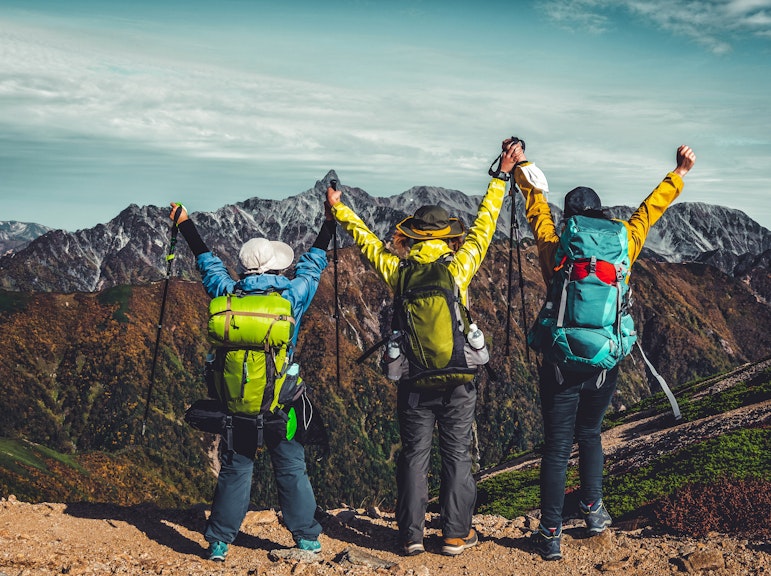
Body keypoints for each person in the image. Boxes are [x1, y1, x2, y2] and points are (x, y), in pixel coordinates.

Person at [326, 139, 528, 557]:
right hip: (458, 379)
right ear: (448, 237)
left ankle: (411, 535)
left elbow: (365, 241)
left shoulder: (398, 270)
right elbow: (486, 224)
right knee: (457, 455)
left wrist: (339, 209)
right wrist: (501, 176)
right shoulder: (459, 267)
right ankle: (455, 534)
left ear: (413, 236)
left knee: (415, 457)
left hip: (414, 379)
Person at [516, 145, 697, 560]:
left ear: (570, 219)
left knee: (557, 448)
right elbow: (649, 211)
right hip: (604, 364)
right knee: (590, 435)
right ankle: (594, 512)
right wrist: (679, 172)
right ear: (600, 214)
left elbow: (536, 211)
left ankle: (550, 533)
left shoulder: (558, 247)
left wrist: (523, 168)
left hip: (560, 362)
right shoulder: (624, 242)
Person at [169, 201, 336, 561]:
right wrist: (329, 221)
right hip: (281, 403)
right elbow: (313, 264)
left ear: (245, 269)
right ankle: (306, 537)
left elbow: (207, 263)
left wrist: (185, 223)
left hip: (236, 402)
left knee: (236, 468)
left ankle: (219, 542)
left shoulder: (227, 294)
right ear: (276, 267)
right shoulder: (291, 296)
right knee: (290, 466)